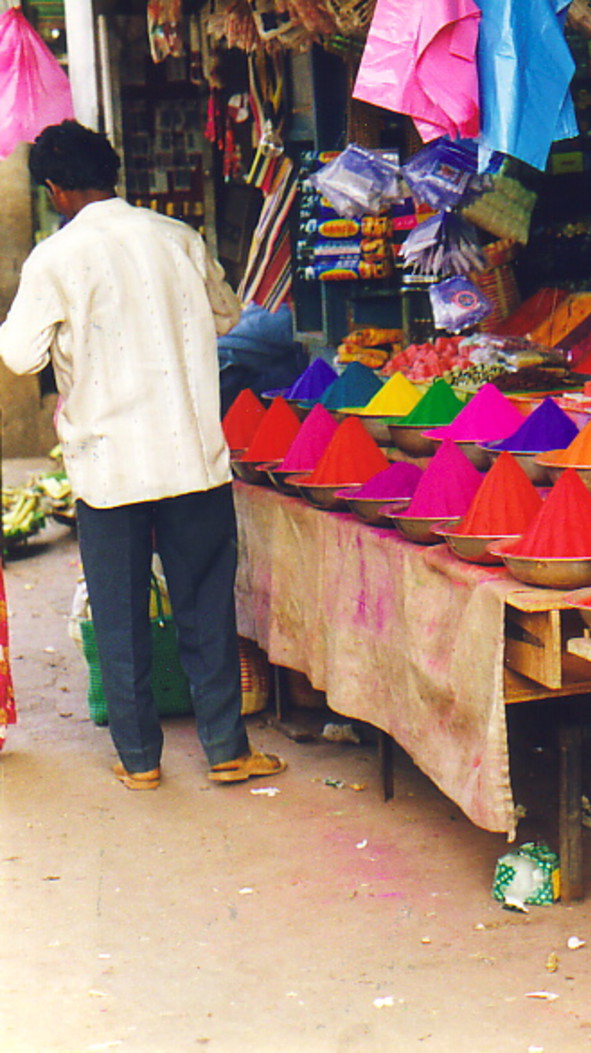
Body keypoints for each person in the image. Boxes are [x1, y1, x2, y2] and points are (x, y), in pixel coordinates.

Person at [0, 120, 285, 789]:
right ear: (113, 171)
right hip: (190, 454)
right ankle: (225, 748)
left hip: (109, 466)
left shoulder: (54, 258)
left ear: (55, 189)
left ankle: (140, 761)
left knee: (121, 613)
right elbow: (228, 315)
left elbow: (17, 354)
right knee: (206, 604)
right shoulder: (176, 238)